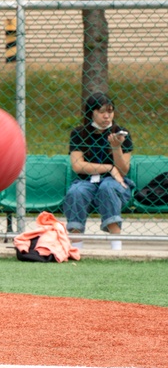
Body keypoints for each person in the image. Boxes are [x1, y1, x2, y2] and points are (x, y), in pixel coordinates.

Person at [64, 92, 133, 251]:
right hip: (86, 181)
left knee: (107, 188)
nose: (107, 116)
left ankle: (116, 246)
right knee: (76, 192)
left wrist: (116, 148)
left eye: (110, 111)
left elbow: (123, 170)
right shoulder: (79, 134)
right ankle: (77, 246)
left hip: (114, 182)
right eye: (102, 112)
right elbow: (78, 165)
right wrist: (109, 168)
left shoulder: (121, 133)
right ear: (91, 113)